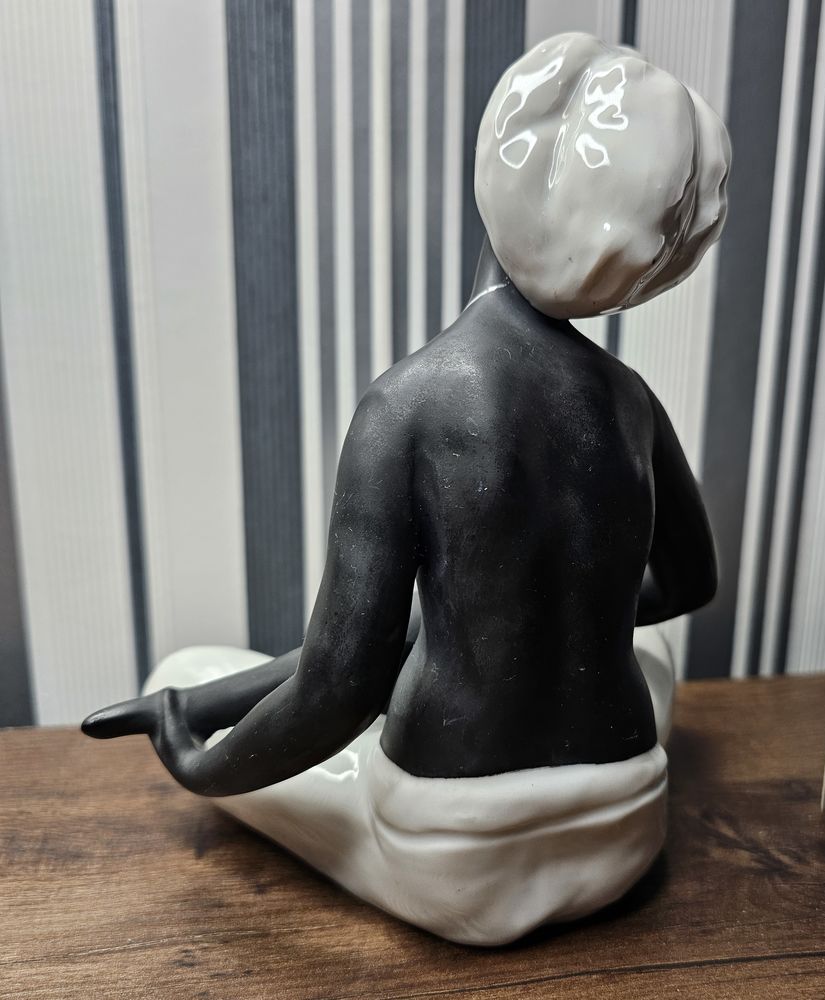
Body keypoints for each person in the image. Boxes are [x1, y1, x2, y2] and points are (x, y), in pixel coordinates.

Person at [82, 31, 729, 945]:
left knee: (185, 669)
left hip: (455, 853)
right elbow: (692, 583)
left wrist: (200, 764)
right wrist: (546, 621)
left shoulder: (408, 402)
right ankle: (208, 703)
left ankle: (189, 702)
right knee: (640, 650)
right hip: (624, 825)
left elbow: (342, 686)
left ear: (499, 167)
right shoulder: (632, 402)